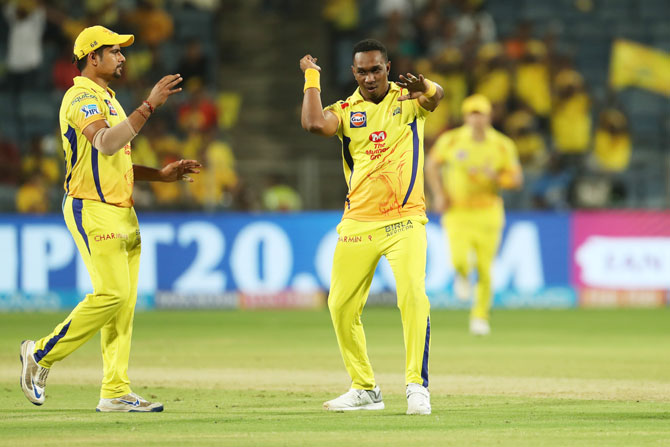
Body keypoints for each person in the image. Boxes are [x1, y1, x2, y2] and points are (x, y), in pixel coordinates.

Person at [19, 25, 201, 413]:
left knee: (124, 305)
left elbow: (116, 158)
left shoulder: (110, 100)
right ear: (92, 56)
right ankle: (39, 354)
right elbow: (104, 142)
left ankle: (115, 391)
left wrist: (160, 174)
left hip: (123, 209)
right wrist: (149, 105)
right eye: (114, 51)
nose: (122, 57)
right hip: (92, 207)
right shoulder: (80, 95)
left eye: (121, 51)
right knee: (112, 294)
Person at [299, 38, 444, 415]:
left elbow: (436, 97)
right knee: (340, 306)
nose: (369, 77)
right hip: (358, 222)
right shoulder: (345, 109)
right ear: (353, 73)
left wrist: (425, 87)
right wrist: (311, 77)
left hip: (405, 218)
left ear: (388, 67)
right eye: (361, 71)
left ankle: (417, 386)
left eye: (375, 69)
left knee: (412, 294)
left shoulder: (408, 98)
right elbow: (314, 123)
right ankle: (364, 388)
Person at [425, 94, 522, 336]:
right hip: (458, 210)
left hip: (488, 211)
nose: (476, 119)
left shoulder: (502, 144)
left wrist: (497, 177)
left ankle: (480, 316)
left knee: (486, 268)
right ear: (466, 116)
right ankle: (462, 274)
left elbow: (516, 179)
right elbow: (431, 164)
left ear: (489, 116)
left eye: (481, 114)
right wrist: (438, 193)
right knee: (459, 258)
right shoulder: (452, 140)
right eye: (472, 114)